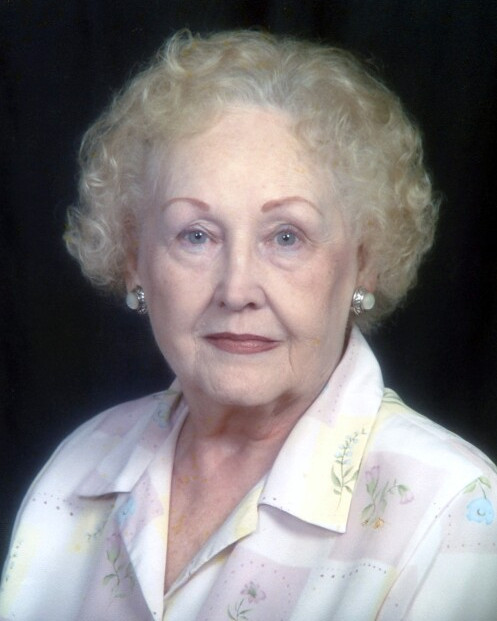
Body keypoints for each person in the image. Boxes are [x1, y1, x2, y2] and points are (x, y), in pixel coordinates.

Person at [1, 29, 496, 621]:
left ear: (363, 260)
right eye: (196, 235)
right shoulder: (79, 467)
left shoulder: (451, 512)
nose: (236, 290)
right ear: (135, 259)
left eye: (286, 237)